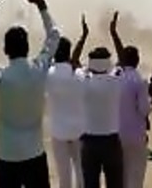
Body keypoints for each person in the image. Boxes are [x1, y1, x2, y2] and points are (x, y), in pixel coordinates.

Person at [0, 0, 61, 188]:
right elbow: (54, 36)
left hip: (7, 156)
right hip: (34, 155)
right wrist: (42, 6)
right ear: (28, 47)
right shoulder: (39, 69)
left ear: (5, 50)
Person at [109, 12, 152, 188]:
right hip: (136, 138)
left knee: (120, 178)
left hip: (116, 137)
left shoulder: (114, 77)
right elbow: (144, 110)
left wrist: (114, 33)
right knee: (135, 179)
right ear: (137, 61)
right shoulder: (139, 81)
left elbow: (120, 60)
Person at [45, 15, 89, 188]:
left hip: (59, 132)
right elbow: (76, 64)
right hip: (79, 130)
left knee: (64, 177)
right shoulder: (79, 75)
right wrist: (83, 37)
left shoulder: (48, 74)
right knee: (81, 173)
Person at [79, 46, 124, 188]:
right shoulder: (116, 80)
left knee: (90, 183)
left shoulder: (83, 81)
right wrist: (114, 35)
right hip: (111, 141)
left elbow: (74, 62)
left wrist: (83, 37)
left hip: (89, 141)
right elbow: (122, 61)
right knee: (115, 184)